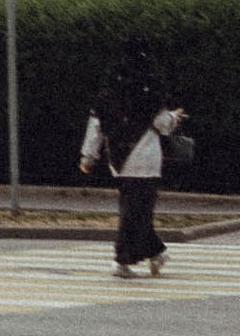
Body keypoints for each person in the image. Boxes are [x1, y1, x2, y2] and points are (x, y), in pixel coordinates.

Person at [79, 41, 185, 276]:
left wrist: (88, 157)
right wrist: (175, 117)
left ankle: (155, 254)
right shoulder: (150, 90)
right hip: (146, 158)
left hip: (119, 159)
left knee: (133, 210)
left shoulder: (108, 93)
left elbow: (96, 125)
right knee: (138, 212)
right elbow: (161, 124)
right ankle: (123, 260)